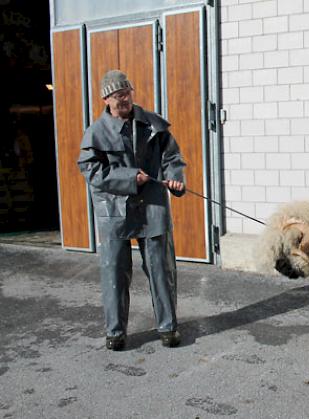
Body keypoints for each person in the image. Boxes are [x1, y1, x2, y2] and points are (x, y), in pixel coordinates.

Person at [78, 70, 186, 351]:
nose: (122, 99)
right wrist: (128, 178)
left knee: (161, 269)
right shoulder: (95, 132)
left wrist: (175, 177)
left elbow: (172, 157)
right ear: (105, 99)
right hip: (114, 210)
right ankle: (115, 332)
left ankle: (168, 327)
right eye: (116, 95)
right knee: (114, 270)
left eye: (126, 93)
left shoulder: (152, 124)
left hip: (152, 207)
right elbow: (91, 170)